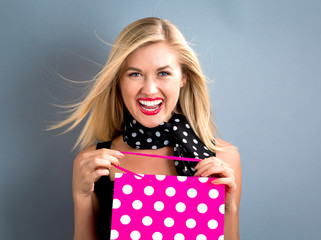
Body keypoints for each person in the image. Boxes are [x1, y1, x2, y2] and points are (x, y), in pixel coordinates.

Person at [52, 17, 241, 240]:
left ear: (183, 78)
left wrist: (229, 208)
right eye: (135, 74)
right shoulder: (94, 163)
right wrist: (81, 197)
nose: (149, 90)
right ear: (118, 82)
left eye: (163, 73)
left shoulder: (224, 159)